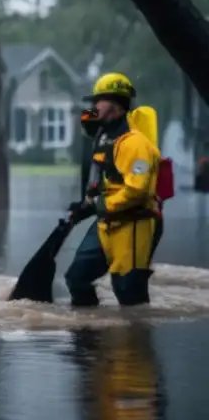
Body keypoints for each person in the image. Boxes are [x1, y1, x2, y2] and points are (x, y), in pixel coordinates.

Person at [64, 72, 162, 307]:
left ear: (117, 104)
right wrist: (84, 206)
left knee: (129, 294)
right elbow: (98, 178)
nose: (94, 107)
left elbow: (137, 190)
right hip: (105, 223)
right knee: (76, 279)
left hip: (134, 225)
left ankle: (135, 337)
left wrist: (101, 205)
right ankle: (88, 336)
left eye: (99, 101)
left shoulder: (136, 144)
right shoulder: (102, 136)